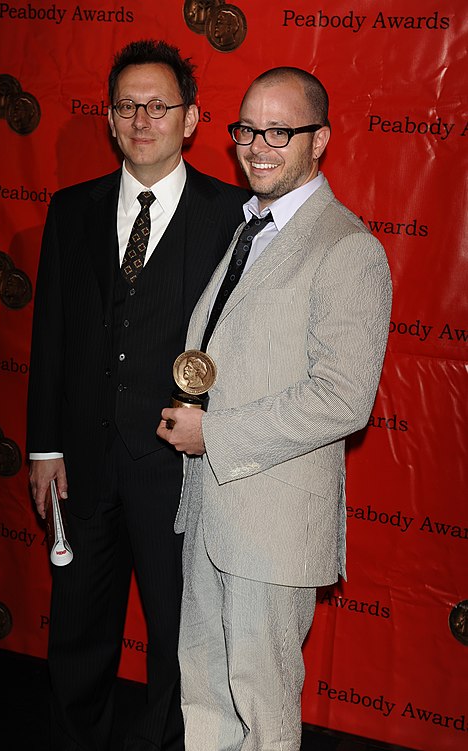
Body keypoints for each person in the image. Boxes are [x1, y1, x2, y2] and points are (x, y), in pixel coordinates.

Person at [157, 66, 392, 750]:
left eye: (279, 131)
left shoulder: (347, 247)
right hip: (209, 505)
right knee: (205, 694)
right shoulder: (248, 229)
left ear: (319, 139)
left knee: (261, 707)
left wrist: (215, 431)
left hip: (272, 523)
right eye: (247, 129)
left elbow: (344, 397)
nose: (257, 146)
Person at [26, 39, 248, 751]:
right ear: (109, 118)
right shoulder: (71, 211)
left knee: (178, 639)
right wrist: (44, 446)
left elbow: (248, 346)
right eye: (127, 105)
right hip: (84, 462)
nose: (141, 118)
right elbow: (52, 336)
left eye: (159, 105)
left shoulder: (234, 216)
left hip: (180, 472)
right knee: (78, 630)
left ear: (191, 120)